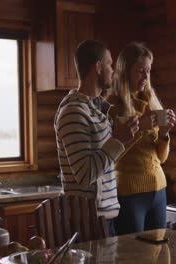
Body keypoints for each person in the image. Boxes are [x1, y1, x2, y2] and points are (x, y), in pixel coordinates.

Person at [54, 40, 139, 236]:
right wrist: (117, 140)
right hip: (86, 221)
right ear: (98, 67)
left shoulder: (95, 108)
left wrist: (127, 135)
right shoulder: (73, 113)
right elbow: (85, 175)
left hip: (104, 216)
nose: (114, 71)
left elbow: (106, 160)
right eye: (110, 64)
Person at [107, 42, 176, 235]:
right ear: (124, 71)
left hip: (159, 190)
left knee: (159, 254)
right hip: (129, 194)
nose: (146, 77)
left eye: (148, 71)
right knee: (133, 255)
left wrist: (164, 134)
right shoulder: (111, 106)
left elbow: (161, 158)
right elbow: (112, 157)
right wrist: (140, 128)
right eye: (140, 71)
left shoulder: (151, 102)